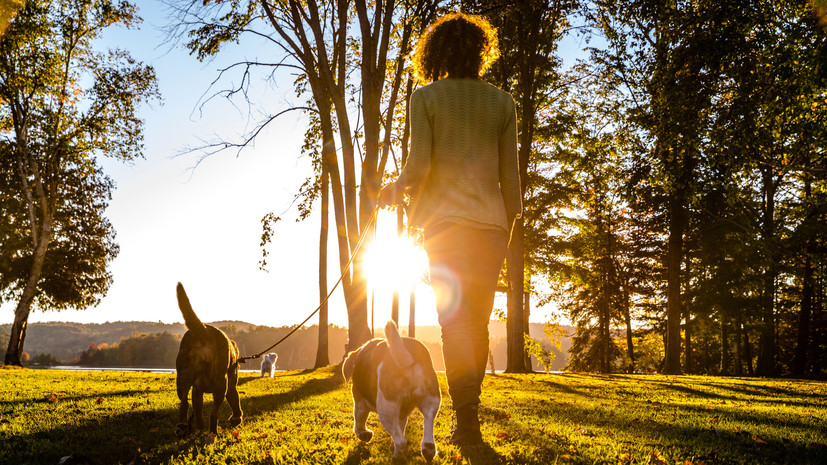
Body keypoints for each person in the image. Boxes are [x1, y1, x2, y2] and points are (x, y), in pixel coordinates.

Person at [379, 12, 521, 447]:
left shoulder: (425, 99)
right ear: (481, 52)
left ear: (434, 53)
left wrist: (394, 187)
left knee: (454, 324)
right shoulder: (502, 102)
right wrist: (508, 229)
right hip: (492, 227)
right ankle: (467, 417)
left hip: (445, 226)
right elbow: (511, 181)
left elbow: (419, 166)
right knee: (475, 324)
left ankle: (468, 422)